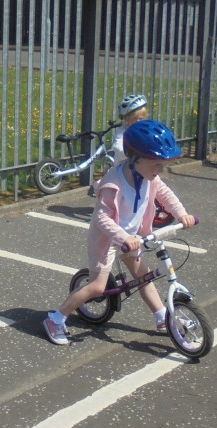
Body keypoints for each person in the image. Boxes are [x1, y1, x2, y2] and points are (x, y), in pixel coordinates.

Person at [44, 120, 197, 345]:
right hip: (107, 240)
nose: (160, 170)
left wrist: (182, 214)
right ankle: (56, 318)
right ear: (136, 159)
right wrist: (124, 237)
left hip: (132, 238)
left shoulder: (150, 177)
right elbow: (102, 218)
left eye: (162, 165)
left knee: (144, 277)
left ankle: (161, 316)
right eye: (156, 164)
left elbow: (165, 193)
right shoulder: (114, 183)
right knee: (97, 287)